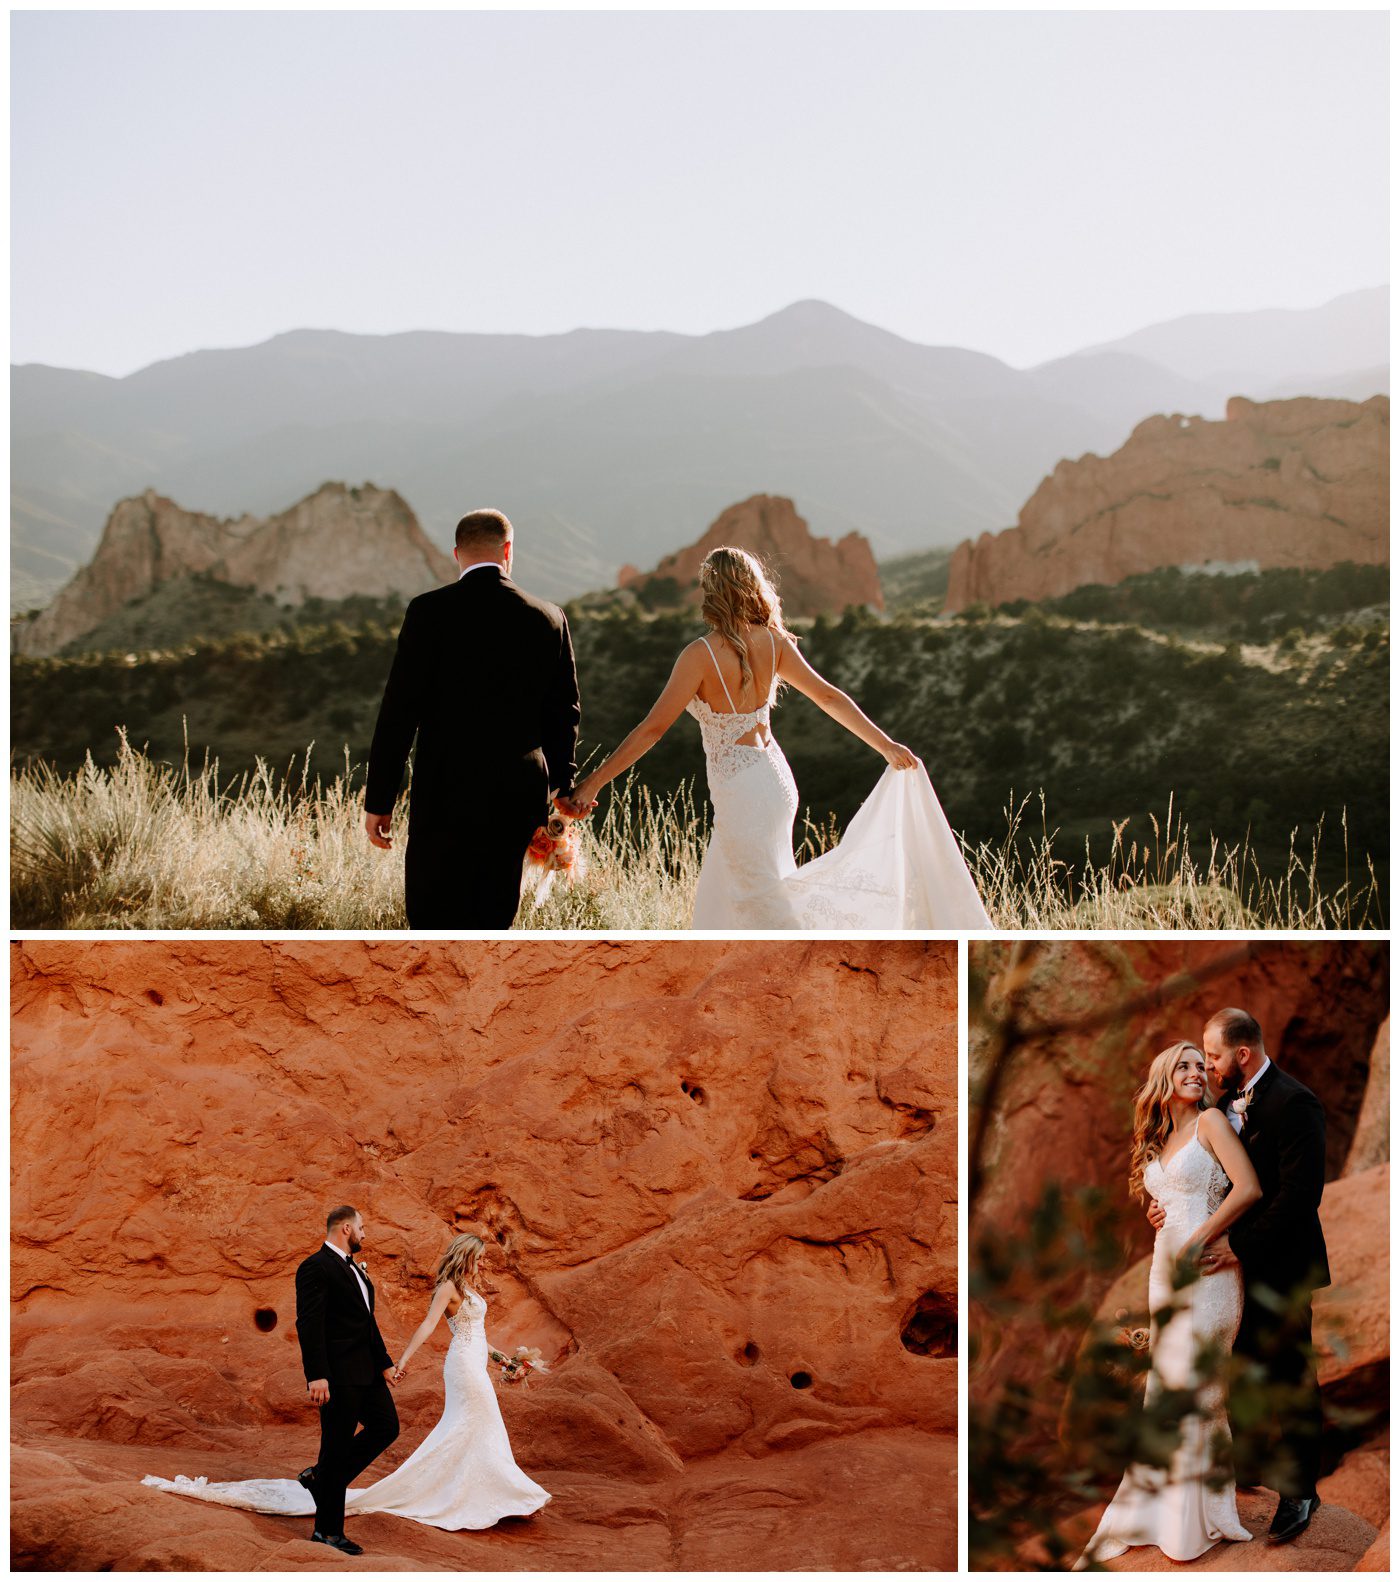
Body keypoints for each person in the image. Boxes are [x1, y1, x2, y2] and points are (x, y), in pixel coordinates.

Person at [559, 546, 989, 928]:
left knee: (760, 900)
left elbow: (652, 730)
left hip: (740, 790)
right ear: (752, 586)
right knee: (743, 884)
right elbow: (828, 696)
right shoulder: (774, 641)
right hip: (775, 779)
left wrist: (592, 783)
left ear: (710, 591)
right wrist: (886, 745)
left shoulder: (699, 655)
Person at [142, 1228, 549, 1539]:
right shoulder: (449, 1288)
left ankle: (482, 1492)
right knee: (476, 1424)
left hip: (477, 1360)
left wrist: (505, 1361)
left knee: (479, 1427)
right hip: (461, 1366)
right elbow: (429, 1326)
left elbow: (478, 1334)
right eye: (480, 1259)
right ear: (467, 1257)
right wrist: (401, 1362)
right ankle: (482, 1494)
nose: (484, 1264)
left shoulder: (472, 1291)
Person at [1076, 1042, 1261, 1567]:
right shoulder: (1161, 1135)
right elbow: (1169, 1195)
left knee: (1197, 1385)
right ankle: (1159, 1509)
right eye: (1184, 1066)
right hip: (1164, 1271)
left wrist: (1201, 1237)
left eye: (1201, 1066)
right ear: (1164, 1076)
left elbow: (1247, 1188)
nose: (1197, 1073)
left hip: (1207, 1272)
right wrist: (1157, 1213)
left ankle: (1200, 1516)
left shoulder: (1212, 1125)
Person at [364, 508, 580, 929]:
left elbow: (399, 710)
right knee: (494, 915)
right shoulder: (548, 617)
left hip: (444, 786)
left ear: (456, 553)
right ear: (508, 550)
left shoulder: (428, 611)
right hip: (516, 790)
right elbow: (564, 711)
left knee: (432, 913)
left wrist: (380, 800)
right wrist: (562, 787)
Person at [1192, 1007, 1329, 1543]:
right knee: (1242, 1367)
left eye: (1213, 1055)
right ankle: (1246, 1467)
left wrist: (1238, 1247)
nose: (1207, 1066)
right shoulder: (1225, 1104)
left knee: (1291, 1377)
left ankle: (1300, 1492)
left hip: (1283, 1266)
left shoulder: (1297, 1102)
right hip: (1234, 1270)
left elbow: (1300, 1197)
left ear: (1241, 1055)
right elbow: (1217, 1180)